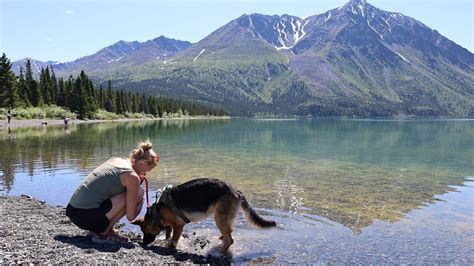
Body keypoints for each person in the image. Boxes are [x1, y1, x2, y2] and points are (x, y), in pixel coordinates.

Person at [66, 141, 159, 244]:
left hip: (73, 210)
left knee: (133, 194)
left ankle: (103, 229)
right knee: (138, 195)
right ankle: (102, 234)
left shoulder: (118, 160)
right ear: (143, 163)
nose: (145, 173)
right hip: (85, 217)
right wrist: (141, 201)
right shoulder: (132, 177)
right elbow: (130, 216)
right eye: (148, 170)